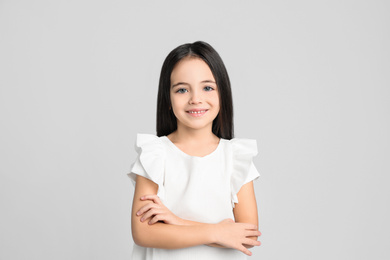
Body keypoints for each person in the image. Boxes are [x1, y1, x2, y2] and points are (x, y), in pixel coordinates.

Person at [127, 41, 261, 259]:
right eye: (182, 89)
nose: (195, 99)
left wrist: (177, 222)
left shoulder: (236, 157)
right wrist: (218, 231)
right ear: (168, 99)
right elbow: (143, 233)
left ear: (222, 94)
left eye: (207, 87)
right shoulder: (155, 154)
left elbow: (247, 235)